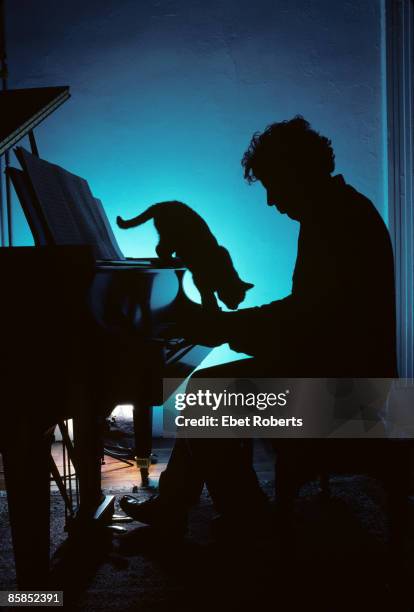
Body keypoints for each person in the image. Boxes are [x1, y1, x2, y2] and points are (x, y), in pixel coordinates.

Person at [120, 116, 397, 535]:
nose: (269, 200)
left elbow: (312, 318)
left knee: (205, 395)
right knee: (212, 385)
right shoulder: (338, 210)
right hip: (341, 369)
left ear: (295, 173)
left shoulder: (337, 219)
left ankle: (246, 518)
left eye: (272, 184)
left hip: (348, 391)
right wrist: (232, 326)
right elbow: (309, 313)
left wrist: (226, 326)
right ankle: (176, 501)